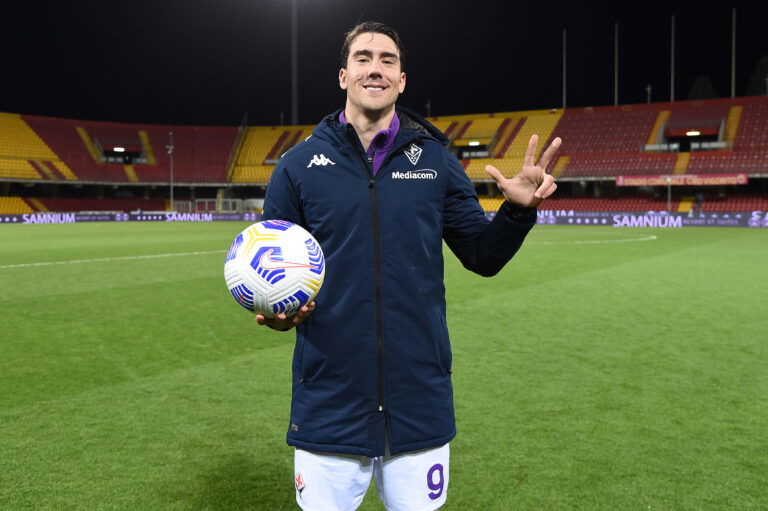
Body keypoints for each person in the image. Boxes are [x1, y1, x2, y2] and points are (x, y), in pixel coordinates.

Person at [257, 21, 560, 511]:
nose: (374, 68)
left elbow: (482, 257)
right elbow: (273, 266)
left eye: (387, 60)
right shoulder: (296, 166)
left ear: (401, 80)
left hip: (419, 397)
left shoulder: (436, 161)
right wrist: (277, 313)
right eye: (363, 58)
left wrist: (518, 210)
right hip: (330, 399)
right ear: (343, 76)